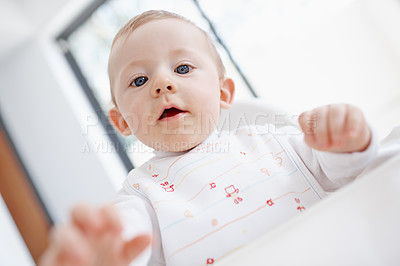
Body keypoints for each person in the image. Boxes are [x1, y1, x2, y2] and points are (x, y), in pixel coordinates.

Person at [39, 10, 378, 266]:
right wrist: (104, 250)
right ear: (120, 121)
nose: (162, 84)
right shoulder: (141, 195)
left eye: (182, 69)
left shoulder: (271, 141)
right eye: (139, 80)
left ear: (223, 92)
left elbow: (349, 173)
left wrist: (349, 140)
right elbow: (128, 237)